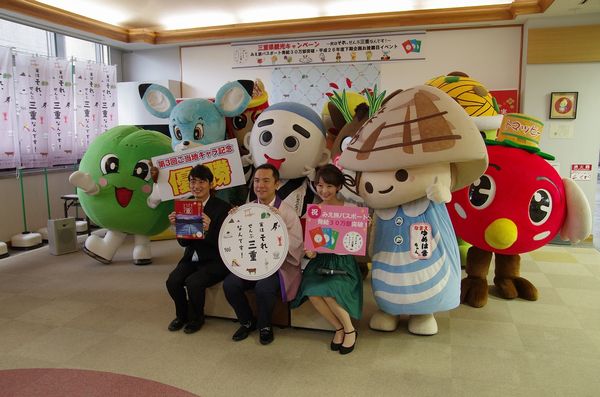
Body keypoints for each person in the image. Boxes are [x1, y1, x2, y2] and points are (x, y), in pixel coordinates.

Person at [223, 163, 303, 345]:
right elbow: (236, 240)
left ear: (276, 184)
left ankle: (265, 325)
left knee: (264, 288)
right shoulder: (248, 208)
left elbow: (297, 245)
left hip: (279, 267)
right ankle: (247, 321)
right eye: (257, 181)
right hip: (252, 263)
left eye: (266, 181)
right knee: (230, 284)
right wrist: (233, 221)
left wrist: (279, 225)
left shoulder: (287, 212)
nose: (260, 185)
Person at [291, 164, 363, 354]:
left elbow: (355, 244)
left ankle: (350, 330)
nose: (324, 190)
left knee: (330, 292)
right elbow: (312, 248)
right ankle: (339, 328)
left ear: (339, 187)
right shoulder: (315, 212)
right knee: (312, 291)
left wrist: (364, 227)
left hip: (343, 262)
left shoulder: (350, 208)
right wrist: (310, 251)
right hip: (321, 262)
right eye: (320, 185)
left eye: (329, 186)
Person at [165, 164, 232, 334]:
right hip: (192, 258)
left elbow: (226, 242)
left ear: (211, 184)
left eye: (202, 182)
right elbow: (184, 244)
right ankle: (182, 315)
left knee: (193, 282)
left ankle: (197, 318)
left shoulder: (222, 208)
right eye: (193, 182)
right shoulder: (187, 205)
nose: (197, 186)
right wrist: (177, 227)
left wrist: (208, 230)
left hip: (215, 259)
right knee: (172, 281)